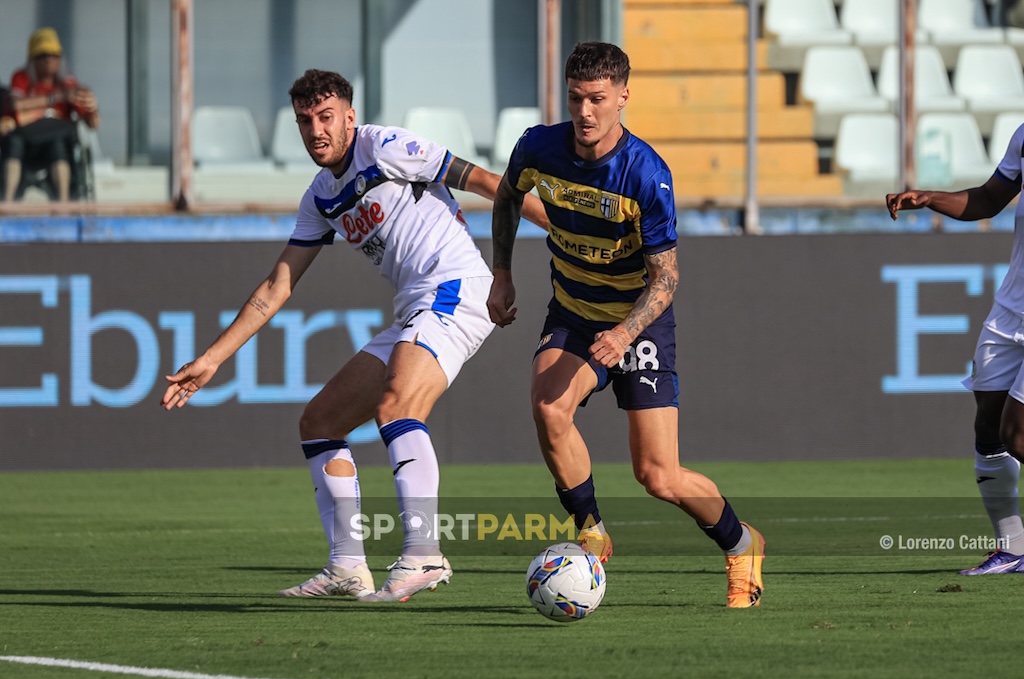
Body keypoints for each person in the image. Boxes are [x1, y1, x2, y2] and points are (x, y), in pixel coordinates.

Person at [161, 69, 548, 602]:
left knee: (397, 405)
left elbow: (486, 181)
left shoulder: (383, 146)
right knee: (320, 421)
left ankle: (424, 554)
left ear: (349, 116)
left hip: (458, 289)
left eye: (325, 117)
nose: (315, 130)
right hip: (416, 306)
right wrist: (212, 359)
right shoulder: (320, 197)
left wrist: (562, 232)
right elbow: (277, 286)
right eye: (304, 121)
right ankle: (346, 566)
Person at [487, 42, 766, 608]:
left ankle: (743, 546)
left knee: (659, 477)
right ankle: (590, 525)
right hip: (571, 310)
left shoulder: (646, 174)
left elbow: (666, 280)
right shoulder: (538, 147)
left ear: (622, 97)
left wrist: (623, 333)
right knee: (548, 405)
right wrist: (502, 273)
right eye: (575, 99)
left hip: (636, 323)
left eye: (596, 99)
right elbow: (507, 199)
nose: (584, 112)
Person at [887, 133, 1024, 575]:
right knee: (988, 423)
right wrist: (929, 198)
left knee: (1017, 433)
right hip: (1012, 308)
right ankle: (1014, 548)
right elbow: (988, 199)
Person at [3, 27, 100, 202]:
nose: (48, 60)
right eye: (42, 55)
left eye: (54, 55)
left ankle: (63, 205)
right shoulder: (22, 78)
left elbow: (93, 124)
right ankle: (7, 203)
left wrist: (92, 107)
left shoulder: (68, 83)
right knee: (13, 143)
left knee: (59, 146)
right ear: (32, 59)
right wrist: (57, 97)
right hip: (26, 145)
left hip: (54, 144)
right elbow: (17, 104)